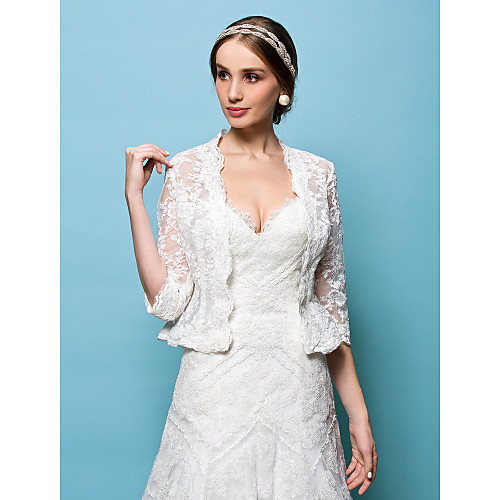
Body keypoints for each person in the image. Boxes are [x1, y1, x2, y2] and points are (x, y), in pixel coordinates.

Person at [125, 15, 377, 500]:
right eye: (223, 74)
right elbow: (168, 300)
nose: (233, 92)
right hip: (213, 394)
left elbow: (329, 312)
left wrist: (359, 418)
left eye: (251, 76)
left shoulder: (318, 176)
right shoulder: (187, 171)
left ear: (283, 86)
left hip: (299, 394)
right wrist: (135, 199)